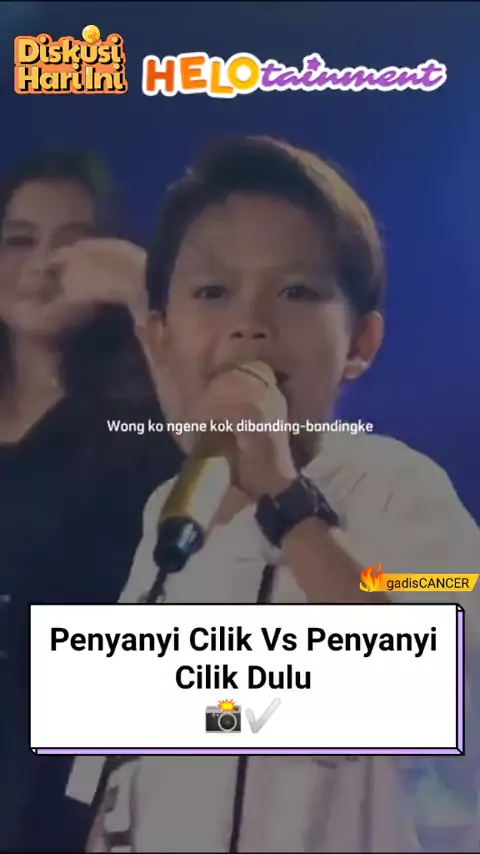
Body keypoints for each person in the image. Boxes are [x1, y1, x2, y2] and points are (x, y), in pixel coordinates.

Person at [69, 136, 480, 852]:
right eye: (212, 292)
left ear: (361, 343)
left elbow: (432, 687)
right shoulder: (172, 509)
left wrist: (285, 499)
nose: (250, 321)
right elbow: (124, 768)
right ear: (162, 337)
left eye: (296, 292)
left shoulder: (398, 488)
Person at [0, 149, 182, 852]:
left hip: (81, 788)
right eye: (18, 240)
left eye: (73, 244)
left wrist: (142, 290)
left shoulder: (145, 418)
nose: (42, 264)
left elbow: (232, 445)